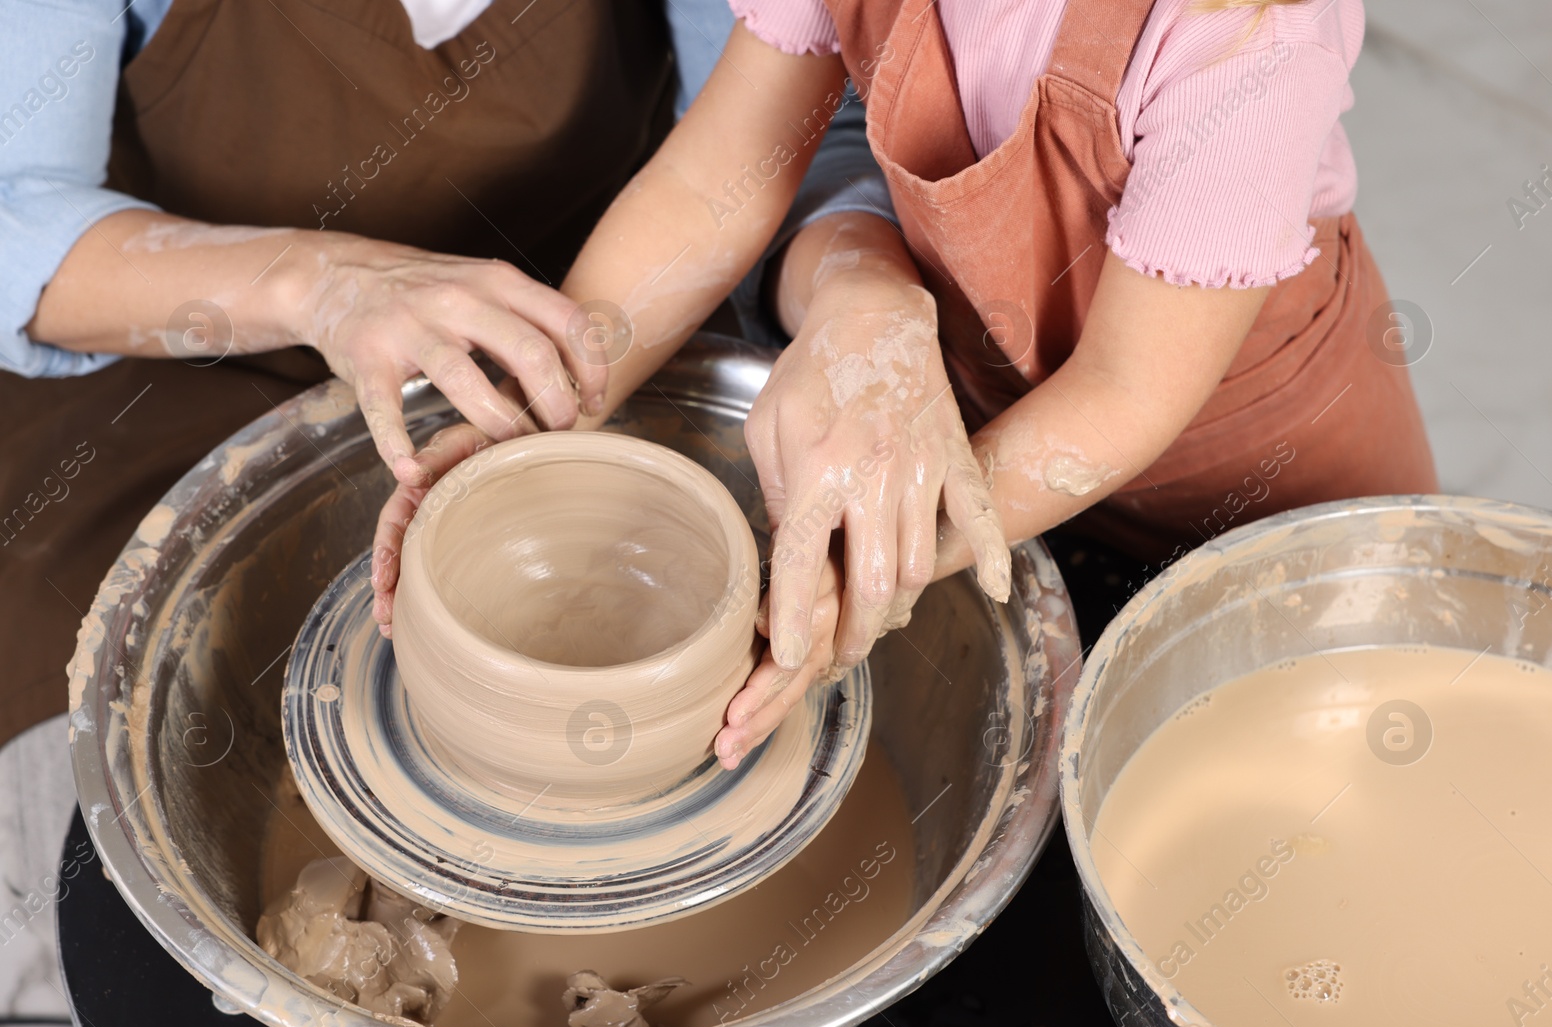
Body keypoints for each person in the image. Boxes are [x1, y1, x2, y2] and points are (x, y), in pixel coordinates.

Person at [372, 0, 1437, 767]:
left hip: (1252, 456)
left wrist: (853, 567)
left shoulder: (1246, 36)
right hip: (993, 411)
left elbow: (1124, 397)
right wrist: (547, 406)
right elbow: (714, 185)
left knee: (1290, 757)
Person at [0, 0, 891, 750]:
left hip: (578, 344)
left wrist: (855, 286)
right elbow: (14, 212)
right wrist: (320, 284)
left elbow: (776, 139)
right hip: (179, 371)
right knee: (101, 742)